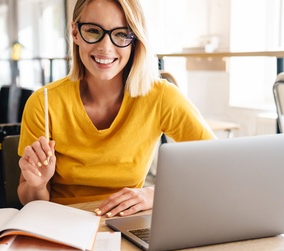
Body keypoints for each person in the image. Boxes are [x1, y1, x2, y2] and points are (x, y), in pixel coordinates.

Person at [18, 0, 215, 218]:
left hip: (127, 223)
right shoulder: (43, 102)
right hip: (60, 223)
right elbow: (30, 201)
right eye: (93, 31)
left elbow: (215, 164)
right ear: (75, 32)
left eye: (121, 34)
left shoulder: (161, 97)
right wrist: (37, 185)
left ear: (135, 40)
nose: (105, 47)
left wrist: (153, 194)